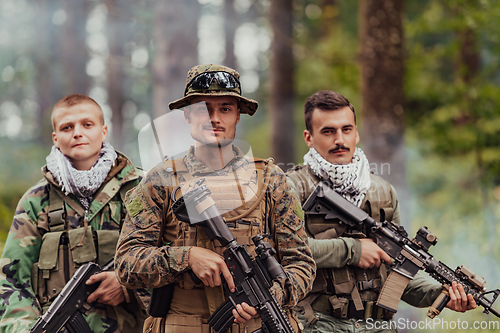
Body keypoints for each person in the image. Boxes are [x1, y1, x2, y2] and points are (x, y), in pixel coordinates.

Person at [114, 64, 316, 333]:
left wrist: (270, 297)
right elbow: (127, 264)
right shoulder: (160, 179)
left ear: (238, 116)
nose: (214, 118)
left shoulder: (271, 180)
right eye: (202, 108)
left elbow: (301, 264)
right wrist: (186, 257)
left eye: (225, 108)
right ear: (186, 115)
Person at [286, 90, 476, 333]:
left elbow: (398, 274)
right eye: (328, 131)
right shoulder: (293, 187)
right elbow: (286, 251)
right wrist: (353, 250)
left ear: (357, 134)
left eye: (347, 129)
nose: (339, 140)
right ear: (308, 137)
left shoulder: (383, 192)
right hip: (316, 324)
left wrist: (439, 294)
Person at [0, 94, 148, 333]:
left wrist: (128, 285)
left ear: (103, 131)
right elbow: (11, 280)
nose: (77, 133)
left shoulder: (142, 188)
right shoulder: (36, 201)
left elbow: (175, 255)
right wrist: (24, 329)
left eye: (87, 124)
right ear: (56, 138)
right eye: (67, 127)